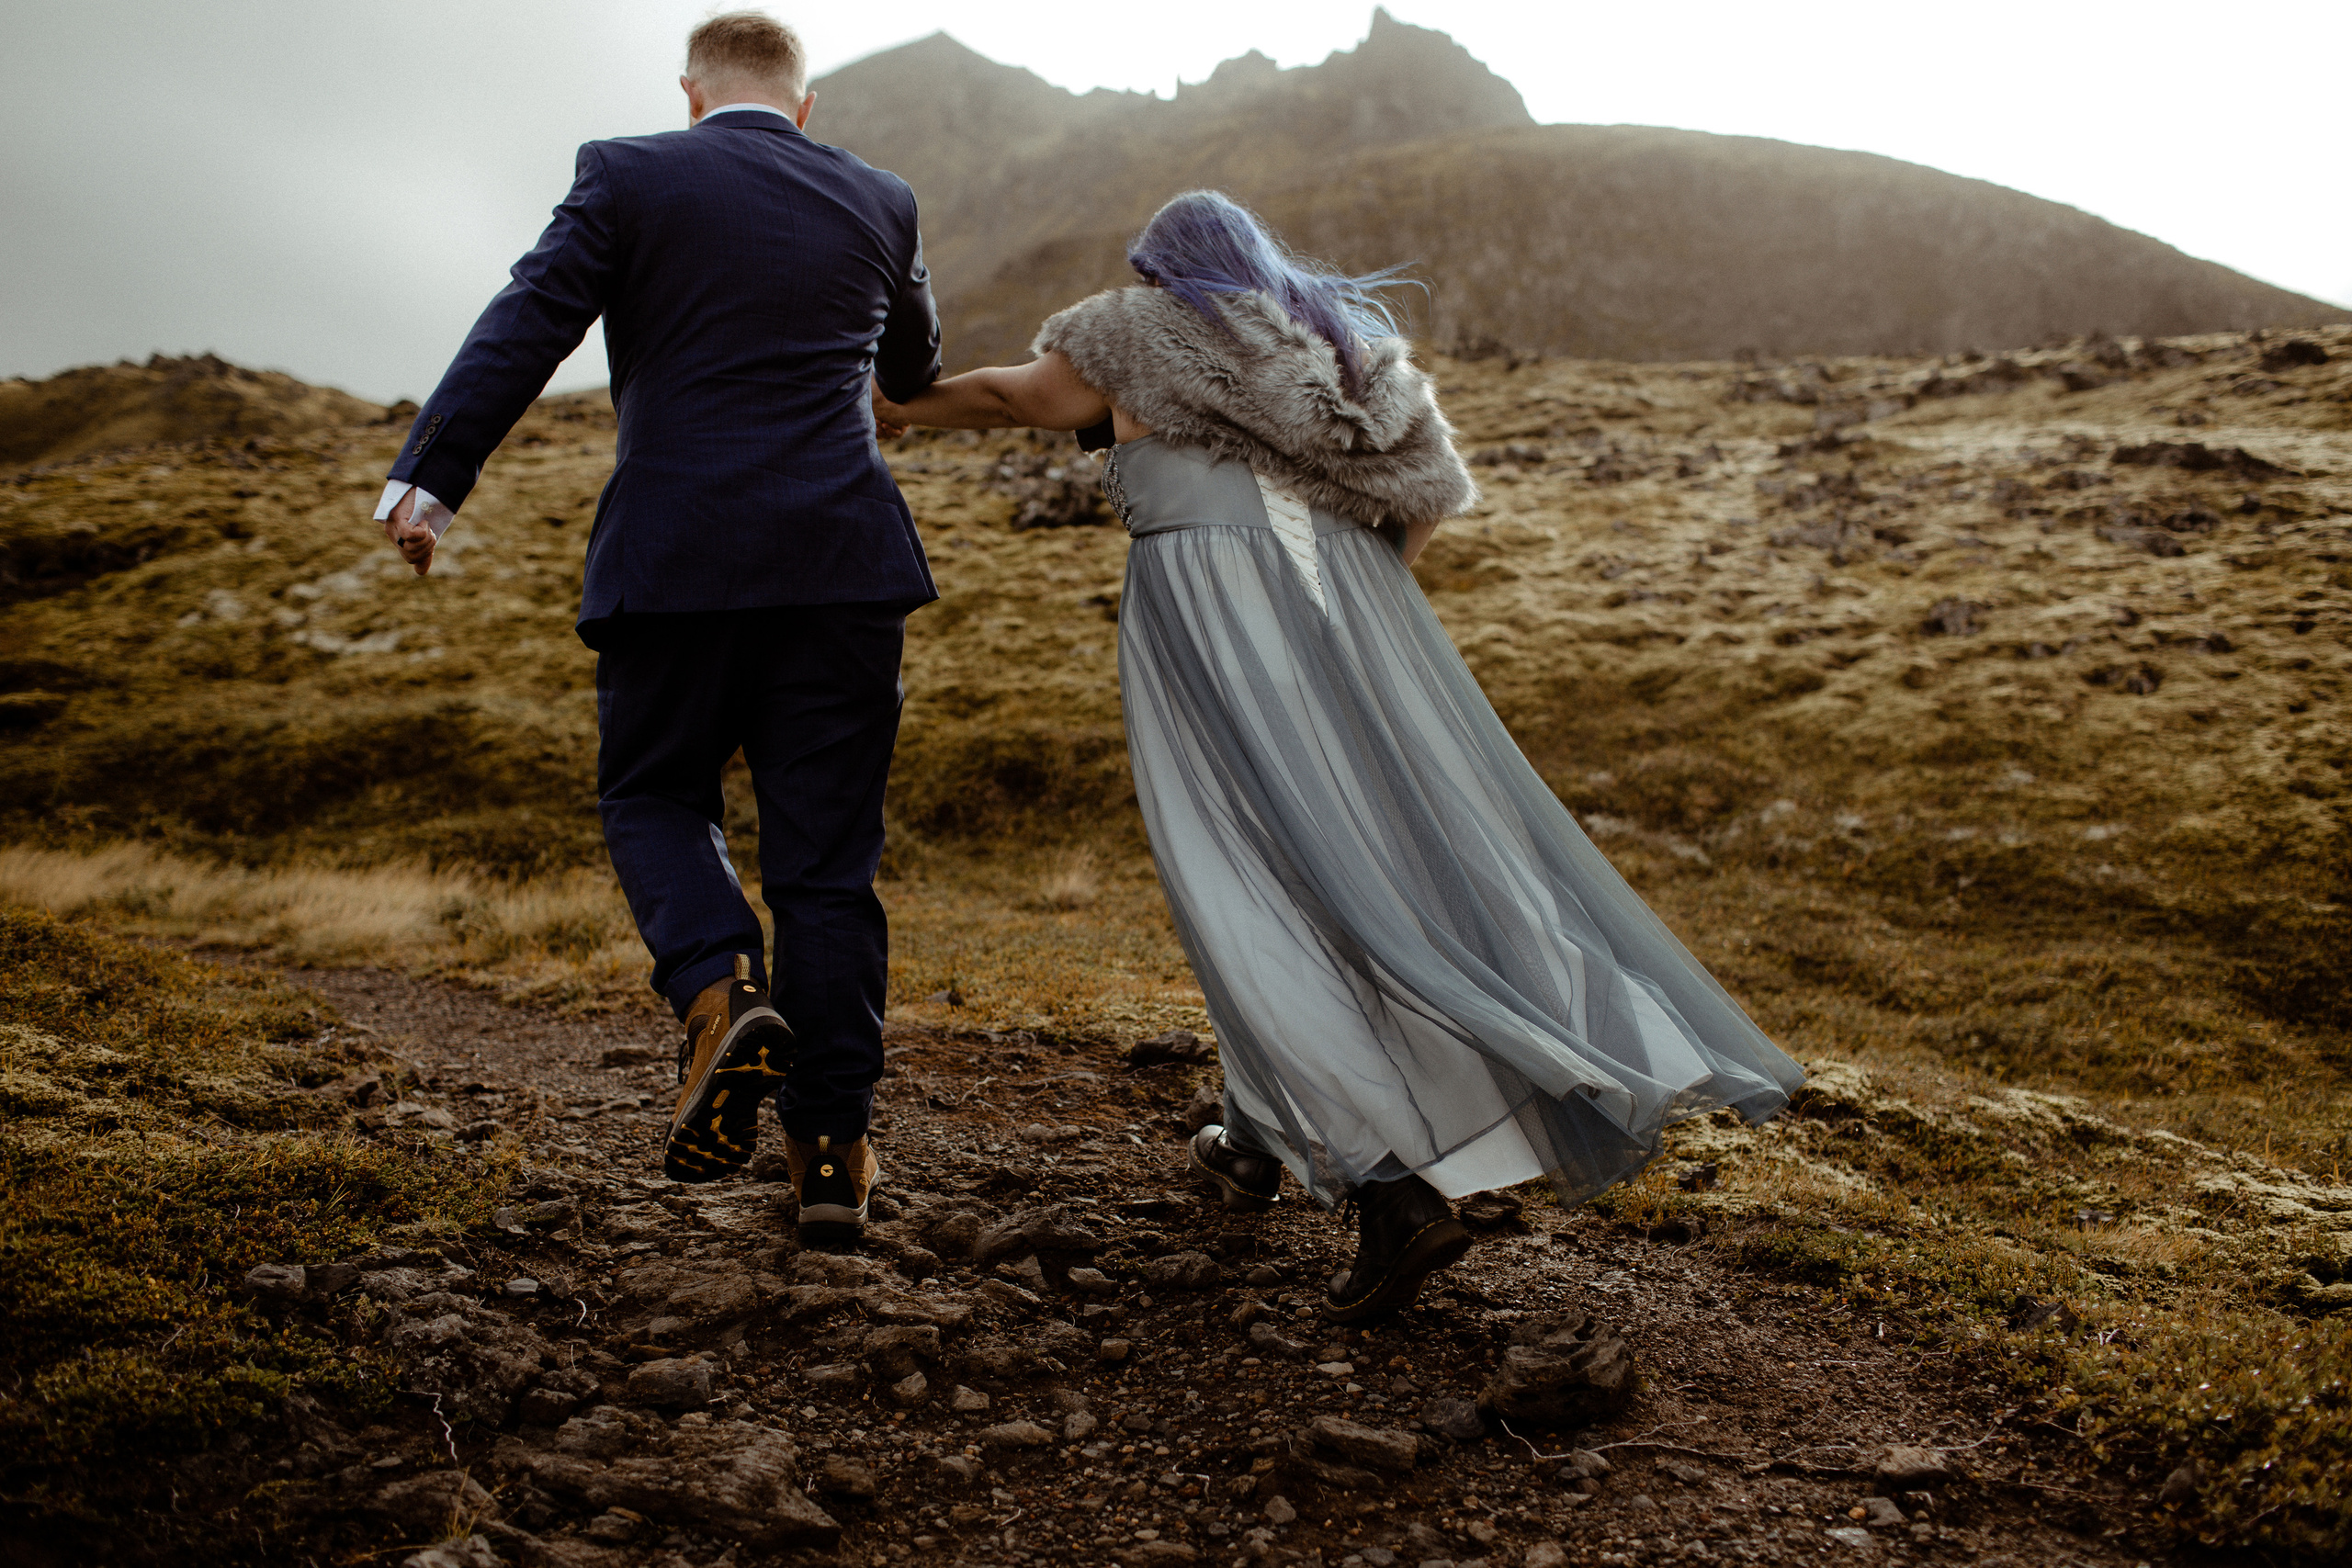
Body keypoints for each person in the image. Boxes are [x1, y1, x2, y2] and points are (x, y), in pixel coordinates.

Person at [873, 190, 1804, 1319]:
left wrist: (893, 404)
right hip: (1361, 616)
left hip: (1214, 608)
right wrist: (1357, 598)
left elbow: (1016, 395)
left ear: (1158, 268)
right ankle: (1258, 1135)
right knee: (1366, 853)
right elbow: (1428, 497)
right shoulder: (1346, 350)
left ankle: (1391, 1189)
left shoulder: (1133, 328)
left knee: (1248, 868)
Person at [374, 12, 937, 1240]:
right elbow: (910, 360)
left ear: (692, 94)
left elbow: (530, 320)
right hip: (845, 564)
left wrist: (430, 478)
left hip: (677, 556)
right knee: (829, 870)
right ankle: (832, 1156)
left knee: (654, 795)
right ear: (803, 104)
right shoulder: (883, 198)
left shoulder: (628, 171)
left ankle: (716, 990)